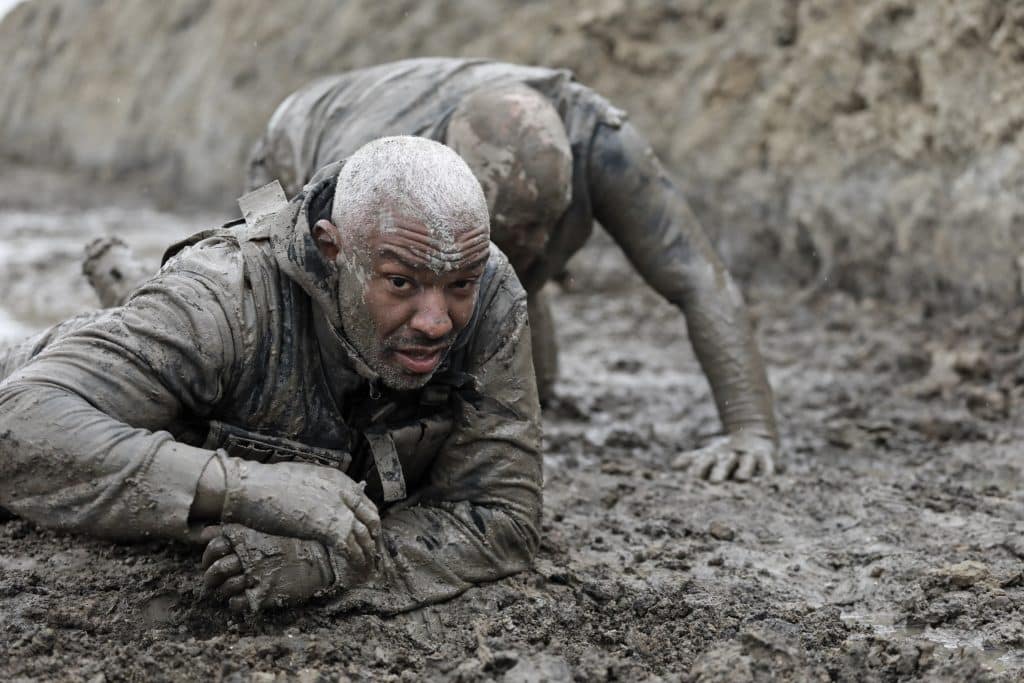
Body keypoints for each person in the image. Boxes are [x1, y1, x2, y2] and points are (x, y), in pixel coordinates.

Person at [0, 136, 543, 614]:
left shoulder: (488, 286)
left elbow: (503, 516)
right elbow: (19, 426)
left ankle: (122, 280)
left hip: (202, 359)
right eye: (401, 283)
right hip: (62, 363)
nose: (436, 321)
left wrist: (334, 564)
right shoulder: (221, 299)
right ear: (333, 250)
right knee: (179, 339)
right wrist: (249, 490)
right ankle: (121, 283)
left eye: (459, 286)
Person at [245, 57, 780, 482]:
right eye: (505, 236)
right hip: (291, 137)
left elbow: (696, 274)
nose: (521, 254)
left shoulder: (603, 141)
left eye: (537, 233)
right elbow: (310, 278)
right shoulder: (379, 167)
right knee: (290, 294)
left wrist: (750, 430)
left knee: (525, 375)